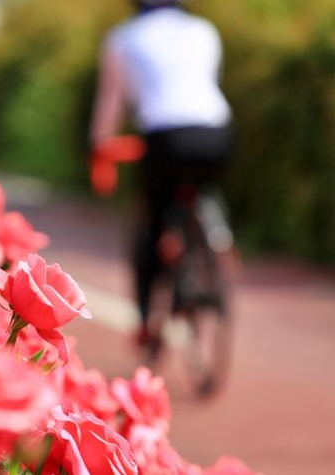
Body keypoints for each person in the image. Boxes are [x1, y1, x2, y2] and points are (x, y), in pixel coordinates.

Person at [89, 0, 234, 344]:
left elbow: (110, 106)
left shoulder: (122, 38)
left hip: (164, 137)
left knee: (151, 222)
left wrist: (100, 150)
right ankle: (220, 240)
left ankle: (145, 320)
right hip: (218, 131)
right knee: (204, 184)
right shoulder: (204, 30)